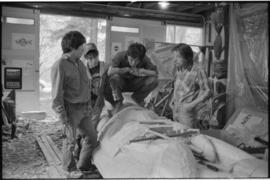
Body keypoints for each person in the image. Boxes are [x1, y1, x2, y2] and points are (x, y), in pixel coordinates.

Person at [51, 31, 98, 178]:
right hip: (70, 109)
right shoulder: (60, 65)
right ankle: (69, 169)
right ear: (73, 47)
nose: (83, 50)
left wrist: (89, 106)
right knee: (70, 141)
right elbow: (56, 94)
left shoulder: (80, 64)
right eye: (81, 47)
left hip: (84, 108)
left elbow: (86, 86)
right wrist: (61, 115)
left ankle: (83, 165)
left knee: (92, 136)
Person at [103, 42, 159, 113]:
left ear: (141, 59)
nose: (133, 63)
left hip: (135, 83)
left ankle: (137, 98)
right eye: (131, 60)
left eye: (136, 61)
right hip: (121, 83)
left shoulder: (144, 58)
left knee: (154, 80)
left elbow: (155, 73)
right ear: (127, 55)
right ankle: (118, 102)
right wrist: (124, 70)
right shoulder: (120, 55)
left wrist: (142, 70)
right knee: (114, 78)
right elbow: (109, 72)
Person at [170, 43, 211, 128]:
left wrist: (191, 105)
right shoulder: (178, 69)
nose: (174, 60)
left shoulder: (198, 70)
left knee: (188, 136)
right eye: (173, 57)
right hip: (175, 109)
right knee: (178, 136)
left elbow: (207, 91)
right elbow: (178, 88)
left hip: (187, 111)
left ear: (187, 57)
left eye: (178, 57)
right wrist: (172, 101)